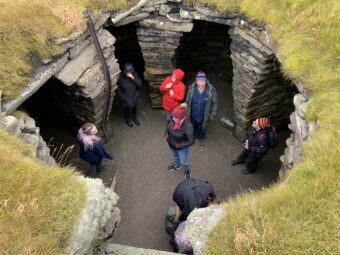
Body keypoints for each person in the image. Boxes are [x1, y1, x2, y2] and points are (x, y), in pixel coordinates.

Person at [185, 71, 218, 146]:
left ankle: (201, 137)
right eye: (199, 80)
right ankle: (192, 136)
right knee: (192, 126)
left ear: (205, 80)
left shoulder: (211, 90)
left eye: (202, 80)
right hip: (192, 115)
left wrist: (211, 116)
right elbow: (187, 100)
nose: (200, 82)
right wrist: (186, 111)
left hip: (204, 116)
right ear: (196, 81)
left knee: (202, 128)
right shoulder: (192, 88)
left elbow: (215, 104)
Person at [164, 104, 194, 179]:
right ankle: (176, 165)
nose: (172, 119)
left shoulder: (188, 127)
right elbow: (167, 125)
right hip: (171, 144)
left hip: (181, 148)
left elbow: (191, 141)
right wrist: (166, 134)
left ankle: (187, 171)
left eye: (175, 118)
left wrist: (179, 146)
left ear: (181, 119)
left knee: (184, 162)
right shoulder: (172, 118)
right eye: (172, 117)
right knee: (174, 157)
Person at [117, 63, 143, 127]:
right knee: (127, 111)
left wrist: (133, 78)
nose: (129, 73)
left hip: (134, 97)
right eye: (127, 72)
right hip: (126, 98)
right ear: (125, 71)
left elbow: (140, 84)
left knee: (134, 109)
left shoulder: (135, 75)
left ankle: (134, 118)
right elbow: (119, 88)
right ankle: (128, 120)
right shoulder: (121, 78)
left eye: (130, 71)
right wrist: (122, 97)